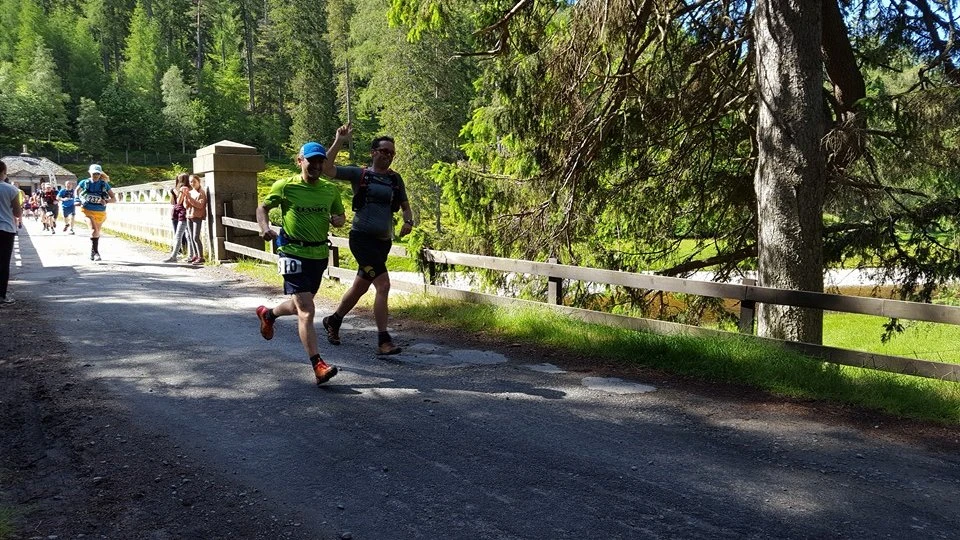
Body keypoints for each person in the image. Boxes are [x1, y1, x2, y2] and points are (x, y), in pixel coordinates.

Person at [255, 141, 347, 386]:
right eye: (312, 161)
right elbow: (262, 207)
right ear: (300, 161)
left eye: (320, 161)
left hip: (317, 254)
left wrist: (338, 219)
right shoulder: (285, 186)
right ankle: (318, 365)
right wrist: (264, 228)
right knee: (307, 309)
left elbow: (339, 216)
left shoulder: (330, 189)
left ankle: (268, 314)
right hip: (291, 251)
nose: (316, 165)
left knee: (299, 306)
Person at [320, 125, 415, 355]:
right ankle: (384, 340)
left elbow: (405, 206)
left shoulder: (395, 179)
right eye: (384, 151)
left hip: (383, 242)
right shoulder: (359, 174)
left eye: (391, 153)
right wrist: (339, 140)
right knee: (383, 285)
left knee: (360, 287)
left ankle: (334, 320)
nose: (387, 156)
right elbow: (327, 169)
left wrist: (408, 222)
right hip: (361, 240)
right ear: (373, 152)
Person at [77, 164, 115, 261]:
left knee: (96, 233)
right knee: (93, 230)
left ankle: (93, 251)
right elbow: (76, 191)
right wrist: (79, 199)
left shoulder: (104, 184)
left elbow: (114, 199)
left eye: (98, 173)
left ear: (100, 174)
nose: (96, 175)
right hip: (87, 210)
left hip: (100, 212)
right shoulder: (84, 182)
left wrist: (106, 201)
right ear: (90, 173)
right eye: (94, 173)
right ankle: (97, 253)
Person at [1, 160, 23, 304]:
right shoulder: (12, 190)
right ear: (4, 172)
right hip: (6, 229)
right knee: (3, 263)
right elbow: (17, 213)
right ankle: (1, 295)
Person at [162, 175, 190, 263]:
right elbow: (173, 202)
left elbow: (177, 201)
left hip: (180, 212)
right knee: (186, 235)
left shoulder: (183, 189)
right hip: (181, 212)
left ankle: (176, 255)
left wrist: (175, 192)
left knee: (180, 234)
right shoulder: (186, 188)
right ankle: (185, 253)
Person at [184, 174, 206, 264]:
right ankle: (195, 255)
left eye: (194, 181)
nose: (192, 183)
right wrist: (186, 198)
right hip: (189, 215)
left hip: (197, 216)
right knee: (190, 236)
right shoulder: (190, 192)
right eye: (190, 181)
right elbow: (185, 206)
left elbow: (200, 205)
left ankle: (201, 256)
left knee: (195, 237)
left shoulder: (201, 193)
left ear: (198, 182)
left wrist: (189, 198)